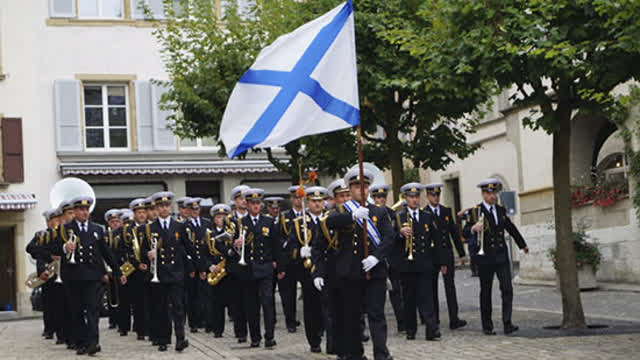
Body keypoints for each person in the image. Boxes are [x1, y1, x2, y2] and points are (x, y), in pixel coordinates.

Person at [314, 169, 394, 360]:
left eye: (365, 186)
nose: (362, 190)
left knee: (376, 314)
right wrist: (352, 217)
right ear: (350, 189)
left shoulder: (379, 211)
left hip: (374, 272)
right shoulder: (341, 211)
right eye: (357, 186)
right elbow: (329, 223)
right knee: (352, 316)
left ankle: (381, 353)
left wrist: (376, 257)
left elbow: (389, 237)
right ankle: (355, 354)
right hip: (350, 273)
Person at [50, 196, 125, 355]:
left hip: (93, 276)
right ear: (75, 212)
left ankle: (93, 342)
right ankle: (81, 342)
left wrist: (117, 272)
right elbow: (53, 248)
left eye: (86, 210)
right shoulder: (64, 229)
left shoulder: (97, 229)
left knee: (93, 310)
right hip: (73, 276)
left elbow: (107, 253)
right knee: (76, 311)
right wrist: (64, 247)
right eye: (81, 210)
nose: (84, 212)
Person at [463, 179, 529, 335]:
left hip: (501, 256)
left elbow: (510, 227)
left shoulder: (500, 209)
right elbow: (465, 231)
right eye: (489, 193)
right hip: (485, 257)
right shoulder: (475, 211)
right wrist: (473, 228)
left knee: (507, 288)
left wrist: (522, 244)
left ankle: (507, 323)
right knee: (485, 291)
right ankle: (487, 325)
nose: (492, 196)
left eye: (494, 193)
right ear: (483, 194)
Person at [140, 191, 203, 352]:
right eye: (161, 206)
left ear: (170, 207)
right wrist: (147, 255)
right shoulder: (149, 228)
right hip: (159, 274)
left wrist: (199, 267)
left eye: (166, 206)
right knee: (161, 308)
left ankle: (180, 338)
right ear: (156, 208)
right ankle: (163, 339)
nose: (164, 209)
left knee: (178, 307)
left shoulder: (179, 226)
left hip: (176, 272)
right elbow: (142, 252)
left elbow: (189, 249)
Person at [227, 188, 283, 348]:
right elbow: (233, 245)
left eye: (258, 203)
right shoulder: (241, 223)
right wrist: (235, 244)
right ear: (247, 205)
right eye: (252, 203)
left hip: (265, 267)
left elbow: (276, 245)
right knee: (251, 305)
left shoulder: (269, 222)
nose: (256, 206)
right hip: (248, 269)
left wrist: (279, 267)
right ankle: (255, 337)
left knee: (268, 304)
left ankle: (270, 336)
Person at [394, 183, 441, 341]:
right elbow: (391, 241)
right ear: (405, 199)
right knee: (409, 299)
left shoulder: (427, 216)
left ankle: (432, 329)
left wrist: (438, 262)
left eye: (416, 197)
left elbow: (435, 240)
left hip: (424, 264)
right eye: (411, 197)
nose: (414, 200)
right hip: (407, 266)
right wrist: (400, 233)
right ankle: (410, 329)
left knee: (427, 298)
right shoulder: (399, 217)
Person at [284, 186, 327, 353]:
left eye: (320, 201)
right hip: (307, 271)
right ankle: (314, 340)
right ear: (307, 202)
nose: (317, 204)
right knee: (311, 307)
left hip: (328, 269)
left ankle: (330, 339)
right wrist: (299, 252)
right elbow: (289, 248)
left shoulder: (329, 219)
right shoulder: (299, 223)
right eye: (314, 201)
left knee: (329, 305)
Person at [423, 183, 468, 331]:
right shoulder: (425, 213)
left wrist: (461, 253)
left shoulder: (446, 211)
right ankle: (433, 320)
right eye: (433, 195)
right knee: (431, 288)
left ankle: (454, 319)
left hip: (447, 254)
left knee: (450, 287)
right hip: (432, 256)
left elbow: (454, 233)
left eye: (438, 195)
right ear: (428, 196)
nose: (436, 198)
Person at [370, 184, 405, 334]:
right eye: (378, 197)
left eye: (383, 197)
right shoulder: (368, 213)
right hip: (375, 259)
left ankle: (401, 323)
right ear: (373, 198)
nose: (381, 200)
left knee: (396, 292)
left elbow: (395, 236)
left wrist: (401, 233)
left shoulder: (393, 214)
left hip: (392, 258)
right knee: (375, 295)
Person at [278, 186, 306, 333]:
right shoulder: (284, 216)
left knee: (308, 292)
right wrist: (286, 244)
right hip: (289, 259)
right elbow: (280, 236)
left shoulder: (307, 214)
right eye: (295, 197)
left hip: (304, 258)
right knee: (288, 293)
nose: (298, 200)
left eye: (301, 197)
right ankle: (290, 321)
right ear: (291, 199)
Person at [226, 184, 251, 342]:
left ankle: (253, 330)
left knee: (251, 300)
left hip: (251, 264)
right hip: (235, 264)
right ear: (235, 201)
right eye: (240, 199)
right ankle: (240, 332)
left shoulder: (252, 218)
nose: (243, 201)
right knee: (237, 301)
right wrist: (233, 243)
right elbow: (225, 241)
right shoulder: (230, 220)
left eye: (245, 199)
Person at [205, 204, 234, 337]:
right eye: (218, 217)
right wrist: (210, 265)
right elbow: (203, 253)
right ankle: (217, 329)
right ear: (214, 218)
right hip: (216, 269)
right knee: (217, 302)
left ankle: (238, 330)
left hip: (229, 269)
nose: (221, 219)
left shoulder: (232, 232)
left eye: (224, 217)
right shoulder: (209, 233)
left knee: (233, 300)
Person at [185, 197, 211, 333]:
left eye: (197, 209)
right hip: (193, 265)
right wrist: (190, 266)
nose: (195, 212)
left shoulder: (207, 223)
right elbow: (185, 248)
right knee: (193, 295)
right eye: (192, 209)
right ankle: (194, 322)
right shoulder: (184, 225)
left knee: (206, 294)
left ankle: (206, 321)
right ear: (188, 211)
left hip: (205, 262)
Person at [127, 198, 150, 341]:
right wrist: (137, 264)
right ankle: (140, 329)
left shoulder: (150, 227)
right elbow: (127, 250)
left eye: (143, 212)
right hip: (136, 271)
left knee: (150, 301)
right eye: (139, 212)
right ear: (134, 214)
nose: (142, 215)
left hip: (150, 269)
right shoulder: (129, 230)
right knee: (138, 301)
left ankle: (150, 327)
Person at [104, 209, 123, 331]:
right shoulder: (105, 235)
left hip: (121, 267)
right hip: (108, 268)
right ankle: (112, 319)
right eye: (112, 222)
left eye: (117, 221)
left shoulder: (123, 234)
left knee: (121, 295)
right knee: (110, 294)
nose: (115, 224)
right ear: (109, 223)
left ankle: (121, 320)